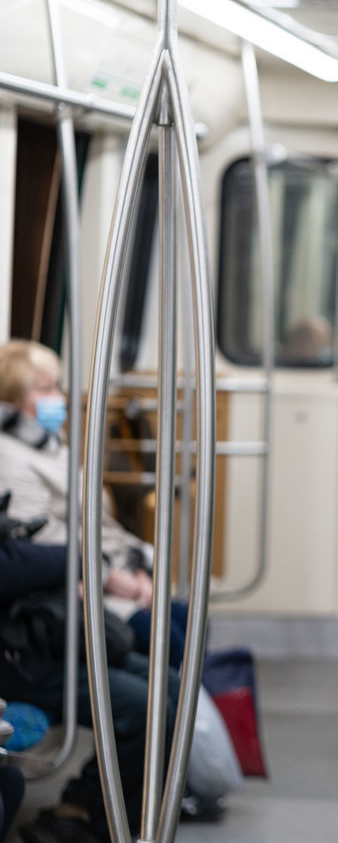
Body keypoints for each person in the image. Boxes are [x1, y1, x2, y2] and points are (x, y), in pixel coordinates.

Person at [0, 341, 187, 667]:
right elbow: (40, 533)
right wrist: (112, 575)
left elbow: (100, 524)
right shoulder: (8, 456)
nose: (58, 397)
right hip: (71, 584)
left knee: (184, 616)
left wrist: (137, 567)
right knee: (163, 638)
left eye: (56, 386)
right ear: (12, 399)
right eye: (45, 389)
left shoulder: (52, 447)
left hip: (101, 569)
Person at [0, 532, 180, 843]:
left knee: (169, 683)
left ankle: (88, 805)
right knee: (145, 708)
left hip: (42, 635)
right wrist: (82, 560)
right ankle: (100, 820)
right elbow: (11, 565)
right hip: (18, 660)